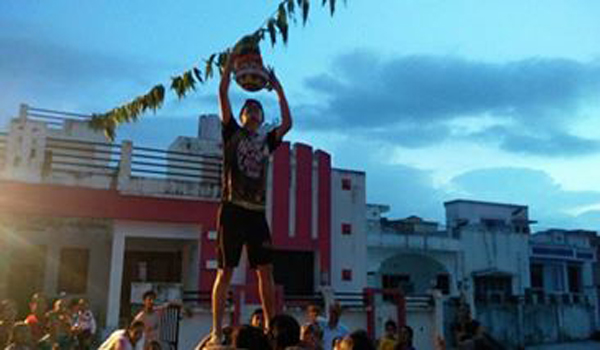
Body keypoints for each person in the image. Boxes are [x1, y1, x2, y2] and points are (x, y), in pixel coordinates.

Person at [208, 50, 292, 345]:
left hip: (256, 212)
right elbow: (222, 92)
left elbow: (288, 123)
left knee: (265, 271)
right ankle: (217, 330)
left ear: (261, 117)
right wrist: (229, 67)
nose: (254, 113)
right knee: (225, 272)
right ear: (242, 116)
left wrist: (278, 89)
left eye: (258, 110)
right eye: (249, 109)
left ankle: (270, 326)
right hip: (232, 209)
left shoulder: (266, 141)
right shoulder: (231, 132)